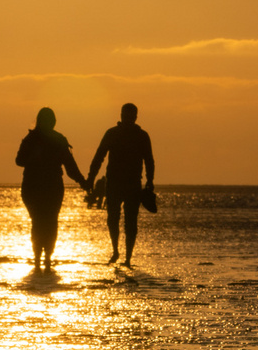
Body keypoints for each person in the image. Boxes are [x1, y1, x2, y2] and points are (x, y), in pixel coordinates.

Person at [15, 107, 86, 269]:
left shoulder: (44, 139)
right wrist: (83, 182)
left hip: (44, 187)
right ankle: (42, 258)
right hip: (39, 187)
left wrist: (83, 181)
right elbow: (19, 160)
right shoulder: (35, 139)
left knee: (42, 222)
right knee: (45, 221)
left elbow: (70, 167)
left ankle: (43, 258)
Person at [87, 103, 155, 266]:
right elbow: (99, 156)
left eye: (131, 116)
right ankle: (116, 251)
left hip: (132, 185)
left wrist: (150, 181)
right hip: (114, 184)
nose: (128, 119)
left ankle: (128, 258)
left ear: (135, 117)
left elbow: (149, 160)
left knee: (131, 221)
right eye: (126, 116)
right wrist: (90, 178)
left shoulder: (142, 136)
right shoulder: (112, 134)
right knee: (113, 219)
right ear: (121, 116)